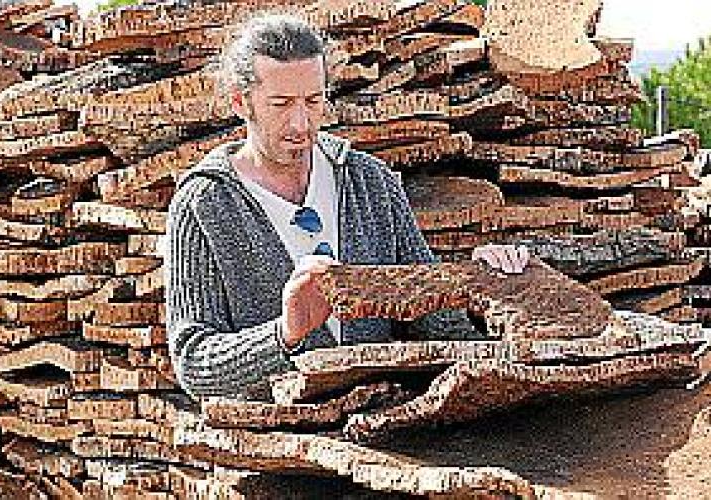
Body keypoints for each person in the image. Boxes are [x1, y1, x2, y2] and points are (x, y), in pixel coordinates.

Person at [164, 14, 529, 401]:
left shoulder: (370, 181)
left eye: (313, 101)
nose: (301, 123)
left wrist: (485, 291)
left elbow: (437, 324)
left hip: (387, 426)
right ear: (241, 102)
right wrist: (284, 334)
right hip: (277, 436)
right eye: (281, 104)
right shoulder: (203, 203)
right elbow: (194, 365)